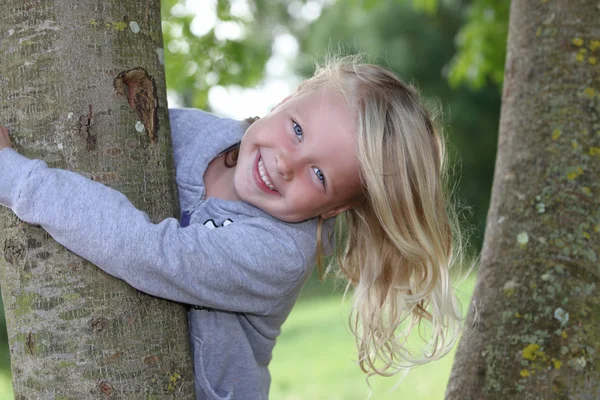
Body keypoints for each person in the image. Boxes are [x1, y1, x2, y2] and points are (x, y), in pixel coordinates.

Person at [0, 55, 464, 399]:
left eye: (319, 176)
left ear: (334, 210)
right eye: (297, 130)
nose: (286, 162)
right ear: (286, 100)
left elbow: (149, 250)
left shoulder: (277, 252)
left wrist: (16, 177)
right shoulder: (192, 132)